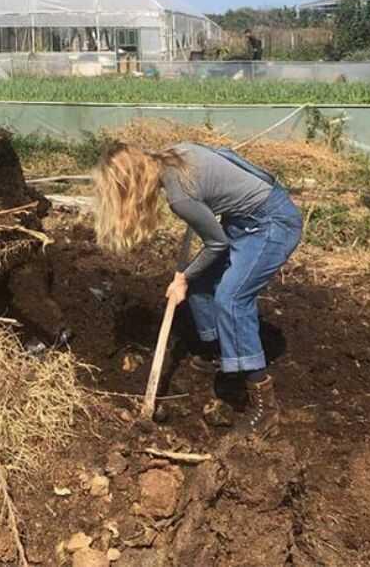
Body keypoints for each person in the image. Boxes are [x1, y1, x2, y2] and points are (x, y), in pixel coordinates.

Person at [90, 142, 303, 439]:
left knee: (231, 298)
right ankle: (220, 354)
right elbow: (227, 155)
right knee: (203, 284)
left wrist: (183, 278)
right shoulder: (176, 151)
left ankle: (264, 407)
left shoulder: (180, 195)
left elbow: (217, 244)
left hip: (270, 225)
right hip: (244, 221)